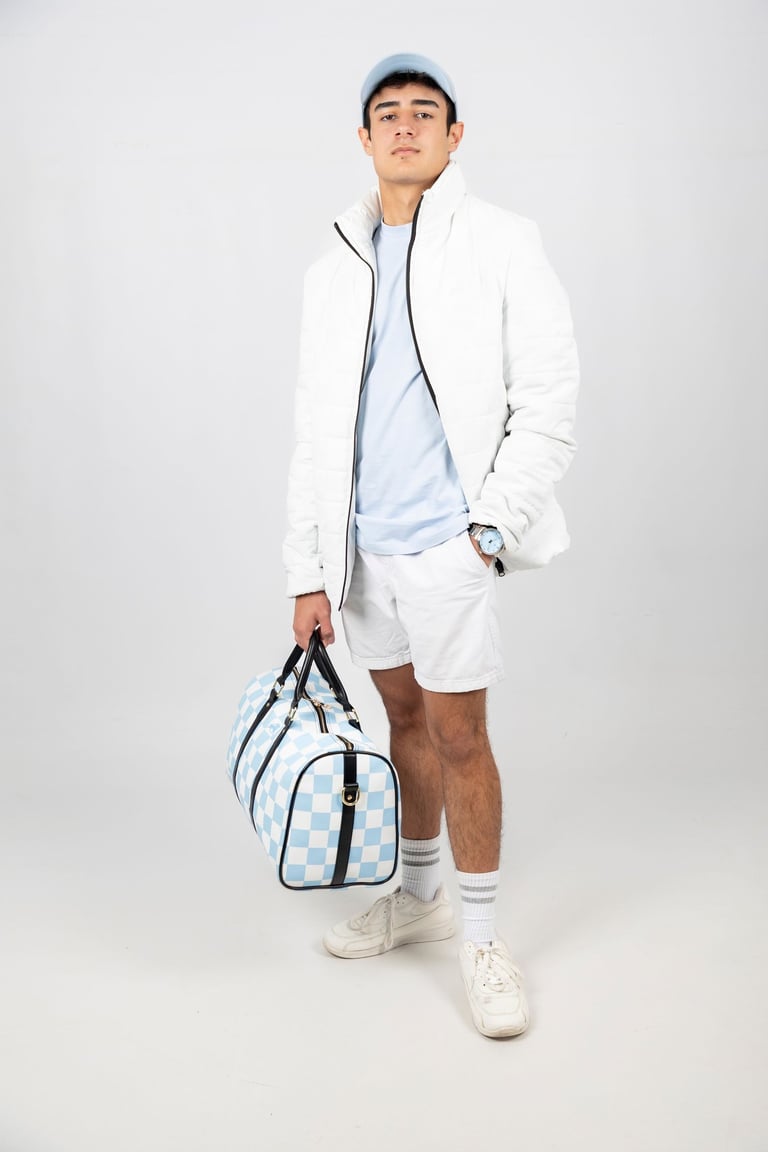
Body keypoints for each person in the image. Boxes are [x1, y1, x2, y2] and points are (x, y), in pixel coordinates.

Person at [283, 53, 579, 1038]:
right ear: (364, 138)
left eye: (424, 112)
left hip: (447, 547)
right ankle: (421, 898)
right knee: (402, 723)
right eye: (387, 113)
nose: (404, 125)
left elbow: (549, 400)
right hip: (360, 557)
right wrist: (309, 570)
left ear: (455, 137)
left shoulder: (501, 240)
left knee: (460, 738)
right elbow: (315, 431)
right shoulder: (335, 268)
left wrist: (488, 531)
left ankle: (483, 938)